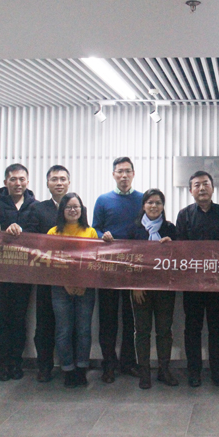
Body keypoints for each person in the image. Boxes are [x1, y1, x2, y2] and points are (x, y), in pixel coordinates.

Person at [176, 171, 219, 387]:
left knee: (217, 327)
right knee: (192, 328)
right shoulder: (184, 215)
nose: (202, 188)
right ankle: (194, 371)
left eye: (205, 184)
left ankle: (217, 371)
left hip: (218, 283)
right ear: (190, 190)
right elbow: (181, 249)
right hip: (192, 283)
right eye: (197, 185)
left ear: (213, 188)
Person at [0, 163, 37, 381]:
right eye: (13, 179)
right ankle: (3, 364)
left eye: (22, 179)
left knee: (19, 318)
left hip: (24, 272)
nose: (18, 183)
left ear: (28, 182)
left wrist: (24, 231)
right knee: (0, 318)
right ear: (5, 182)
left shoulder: (35, 207)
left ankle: (16, 362)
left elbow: (39, 233)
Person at [93, 157, 143, 383]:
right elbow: (94, 228)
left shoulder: (142, 199)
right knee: (108, 318)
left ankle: (128, 362)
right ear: (113, 174)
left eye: (128, 171)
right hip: (108, 268)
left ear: (133, 174)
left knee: (131, 319)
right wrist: (101, 235)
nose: (124, 175)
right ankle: (109, 364)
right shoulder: (103, 200)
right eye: (120, 171)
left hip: (134, 268)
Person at [23, 165, 71, 382]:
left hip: (71, 275)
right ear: (47, 183)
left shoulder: (76, 206)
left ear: (69, 182)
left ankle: (69, 367)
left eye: (62, 179)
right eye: (54, 179)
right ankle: (44, 366)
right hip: (45, 275)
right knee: (45, 323)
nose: (59, 183)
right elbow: (30, 237)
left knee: (69, 323)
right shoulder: (37, 208)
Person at [47, 193, 98, 388]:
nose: (73, 210)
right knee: (64, 330)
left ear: (82, 210)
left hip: (86, 287)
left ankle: (82, 369)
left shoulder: (90, 232)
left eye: (76, 207)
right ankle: (68, 369)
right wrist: (66, 283)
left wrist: (83, 282)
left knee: (84, 330)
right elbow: (50, 262)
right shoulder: (53, 232)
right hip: (60, 288)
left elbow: (95, 261)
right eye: (68, 207)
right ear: (62, 210)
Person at [132, 188, 178, 389]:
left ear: (163, 206)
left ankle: (163, 370)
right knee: (142, 331)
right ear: (143, 205)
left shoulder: (170, 229)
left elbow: (181, 257)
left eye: (158, 202)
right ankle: (144, 372)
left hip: (165, 287)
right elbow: (128, 260)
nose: (154, 206)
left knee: (164, 330)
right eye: (150, 202)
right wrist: (135, 285)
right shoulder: (134, 229)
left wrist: (172, 246)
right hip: (140, 289)